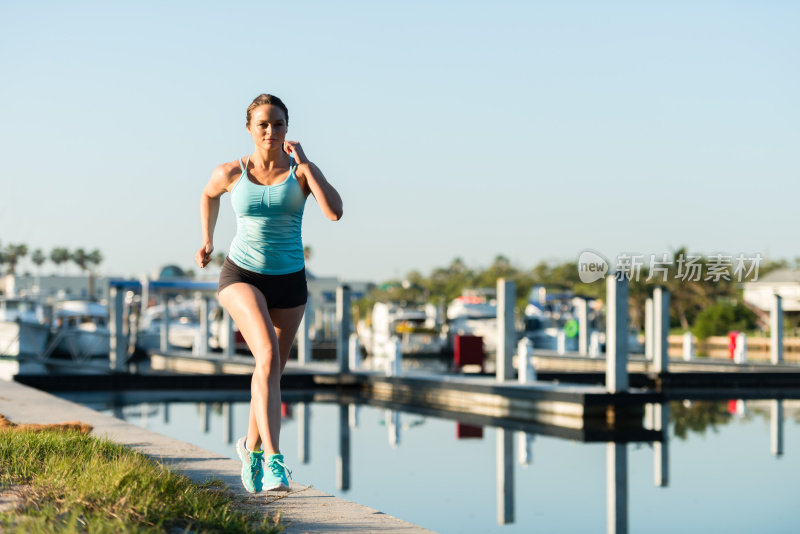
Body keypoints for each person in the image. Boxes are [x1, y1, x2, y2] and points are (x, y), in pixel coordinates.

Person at [195, 94, 343, 493]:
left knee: (271, 371)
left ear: (287, 129)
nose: (270, 131)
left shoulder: (300, 173)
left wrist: (308, 165)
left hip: (290, 281)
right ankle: (273, 461)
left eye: (278, 124)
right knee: (266, 356)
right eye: (262, 124)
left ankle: (249, 446)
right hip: (241, 274)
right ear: (249, 128)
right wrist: (207, 240)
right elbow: (208, 195)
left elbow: (334, 212)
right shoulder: (231, 172)